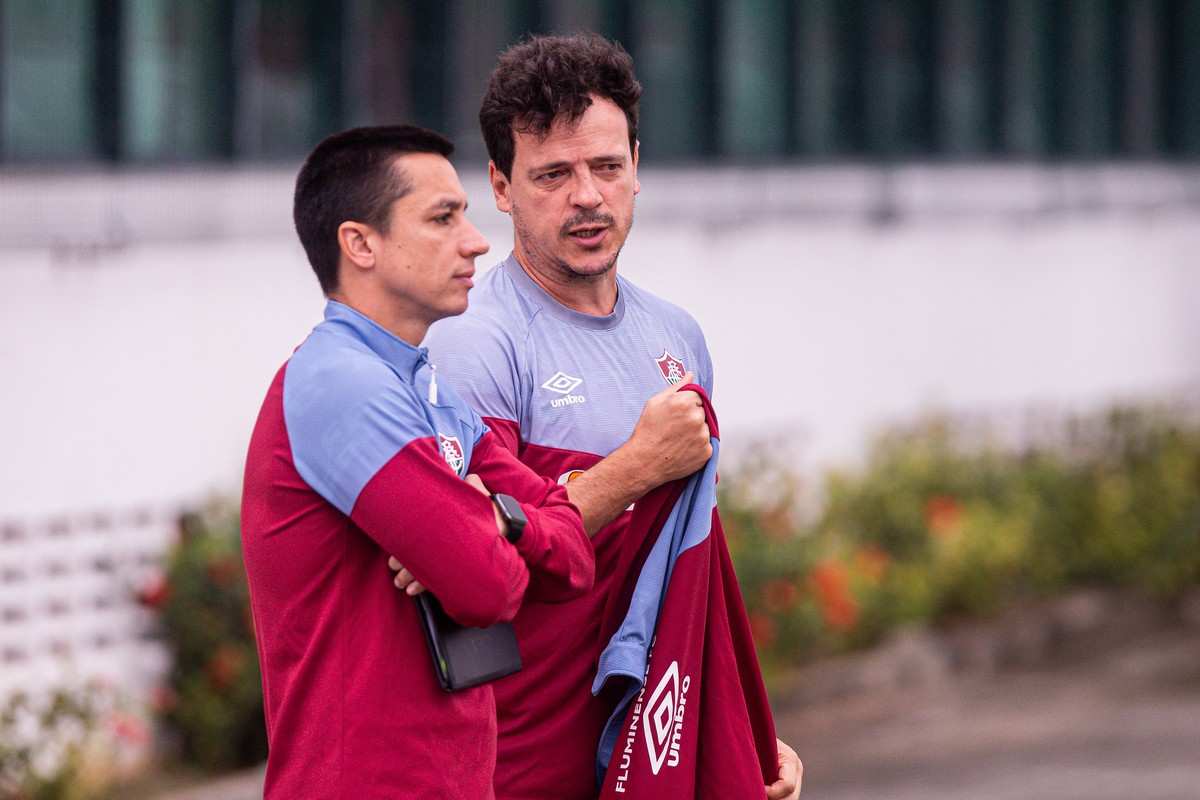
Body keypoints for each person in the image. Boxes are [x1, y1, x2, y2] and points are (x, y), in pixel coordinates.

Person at [417, 33, 803, 800]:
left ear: (637, 169)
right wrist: (636, 465)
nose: (586, 196)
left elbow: (687, 567)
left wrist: (733, 726)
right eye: (553, 174)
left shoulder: (678, 337)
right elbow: (472, 566)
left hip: (646, 746)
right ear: (500, 185)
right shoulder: (473, 343)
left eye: (606, 167)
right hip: (519, 767)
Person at [240, 124, 594, 798]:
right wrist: (496, 534)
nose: (477, 241)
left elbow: (575, 554)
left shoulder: (427, 389)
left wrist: (500, 520)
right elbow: (491, 589)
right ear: (360, 244)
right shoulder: (341, 385)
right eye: (443, 217)